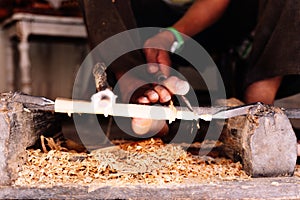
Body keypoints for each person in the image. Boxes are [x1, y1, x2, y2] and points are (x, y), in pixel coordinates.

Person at [79, 0, 300, 137]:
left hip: (224, 23)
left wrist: (172, 35)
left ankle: (261, 107)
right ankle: (139, 91)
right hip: (150, 22)